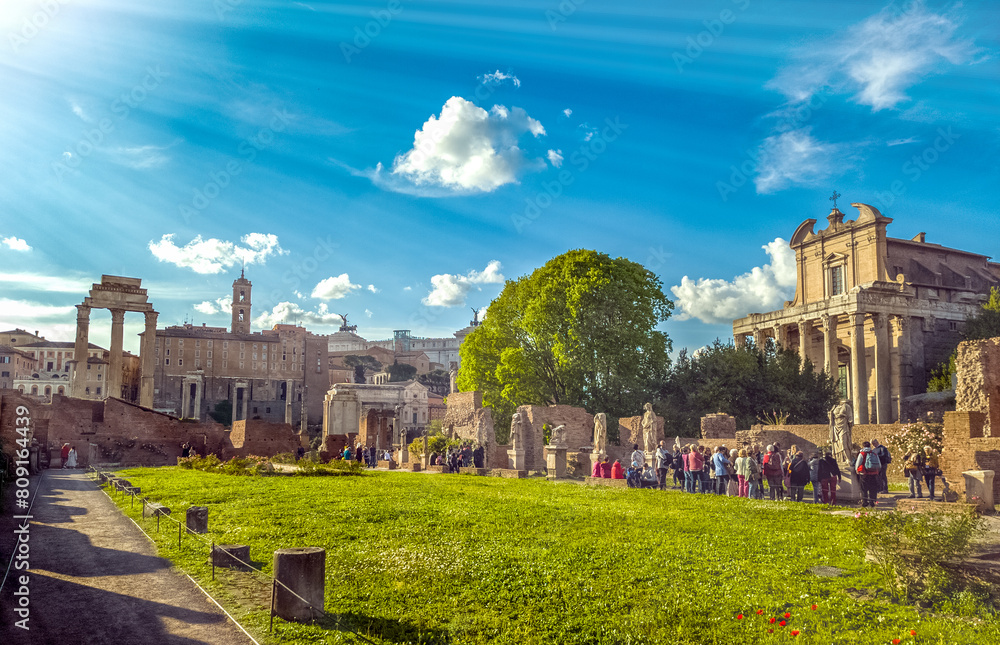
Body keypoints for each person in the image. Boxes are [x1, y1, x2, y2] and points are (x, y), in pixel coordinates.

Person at [855, 441, 882, 508]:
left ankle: (865, 502)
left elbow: (858, 464)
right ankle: (872, 502)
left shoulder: (862, 453)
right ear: (869, 446)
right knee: (873, 488)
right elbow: (879, 464)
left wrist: (857, 470)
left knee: (864, 489)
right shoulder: (874, 453)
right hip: (873, 474)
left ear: (863, 446)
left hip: (864, 474)